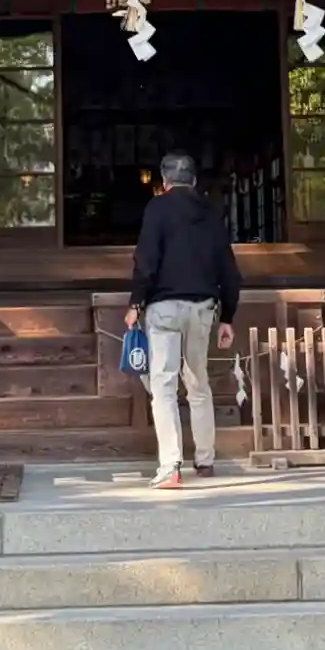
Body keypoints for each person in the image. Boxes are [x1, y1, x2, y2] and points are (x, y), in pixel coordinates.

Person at [125, 150, 241, 489]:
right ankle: (205, 459)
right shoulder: (211, 212)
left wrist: (135, 302)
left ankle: (170, 464)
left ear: (164, 180)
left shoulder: (157, 208)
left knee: (163, 385)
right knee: (197, 381)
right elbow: (228, 268)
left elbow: (146, 260)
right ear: (194, 180)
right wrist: (228, 316)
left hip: (163, 307)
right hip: (202, 308)